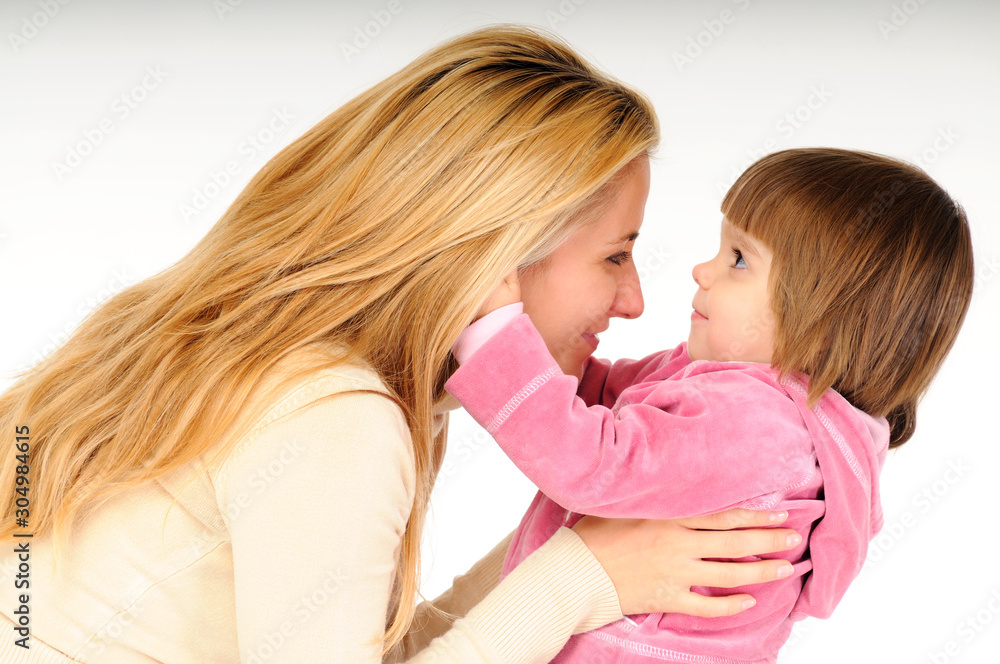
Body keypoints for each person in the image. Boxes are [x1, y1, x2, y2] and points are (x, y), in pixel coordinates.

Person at [0, 25, 801, 664]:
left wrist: (584, 550)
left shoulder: (315, 374)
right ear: (499, 252)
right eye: (615, 255)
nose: (635, 302)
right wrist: (577, 579)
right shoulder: (334, 415)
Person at [446, 147, 975, 663]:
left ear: (821, 318)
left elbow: (588, 461)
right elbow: (600, 395)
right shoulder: (734, 390)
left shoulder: (759, 426)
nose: (702, 269)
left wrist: (495, 336)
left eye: (738, 260)